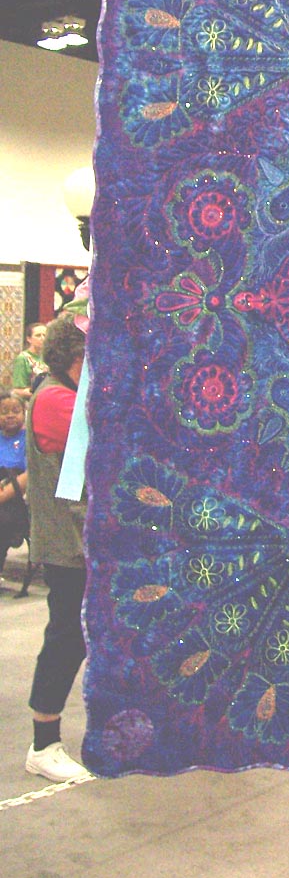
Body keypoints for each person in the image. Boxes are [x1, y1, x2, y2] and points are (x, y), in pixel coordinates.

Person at [24, 313, 89, 782]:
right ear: (72, 358)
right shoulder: (55, 400)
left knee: (82, 635)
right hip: (66, 541)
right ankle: (43, 743)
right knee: (66, 636)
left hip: (80, 539)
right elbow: (110, 442)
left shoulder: (66, 395)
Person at [0, 393, 29, 576]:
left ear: (24, 412)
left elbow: (29, 476)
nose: (10, 415)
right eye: (4, 412)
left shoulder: (28, 439)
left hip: (16, 496)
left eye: (15, 411)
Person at [11, 322, 48, 401]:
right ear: (29, 339)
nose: (42, 338)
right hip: (30, 402)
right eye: (38, 335)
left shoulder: (49, 357)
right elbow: (17, 390)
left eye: (44, 335)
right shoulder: (23, 358)